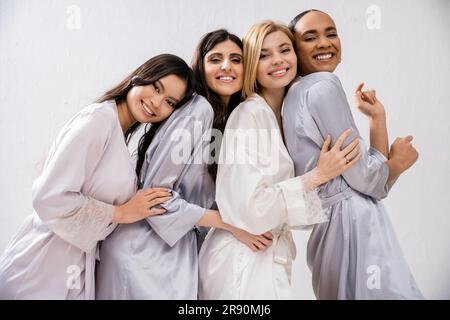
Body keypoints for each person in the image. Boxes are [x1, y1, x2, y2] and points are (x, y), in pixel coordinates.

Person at [96, 30, 272, 299]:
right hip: (142, 252)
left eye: (236, 59)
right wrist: (234, 225)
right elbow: (156, 198)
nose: (226, 66)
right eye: (215, 59)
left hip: (174, 252)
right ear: (200, 67)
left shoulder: (228, 120)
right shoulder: (198, 109)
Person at [0, 54, 193, 299]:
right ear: (141, 75)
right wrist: (121, 213)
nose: (156, 102)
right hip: (41, 267)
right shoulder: (99, 120)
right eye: (156, 87)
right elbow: (48, 197)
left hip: (74, 270)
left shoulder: (118, 133)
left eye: (169, 102)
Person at [198, 21, 361, 300]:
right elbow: (249, 207)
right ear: (251, 64)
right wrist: (318, 175)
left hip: (264, 253)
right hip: (240, 260)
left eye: (284, 50)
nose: (277, 61)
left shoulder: (284, 116)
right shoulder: (250, 114)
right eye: (263, 55)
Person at [283, 9, 423, 299]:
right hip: (353, 225)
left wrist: (376, 119)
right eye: (310, 38)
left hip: (331, 228)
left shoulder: (295, 92)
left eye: (331, 33)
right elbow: (370, 181)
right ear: (294, 50)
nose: (324, 43)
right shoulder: (323, 86)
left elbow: (365, 177)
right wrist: (397, 162)